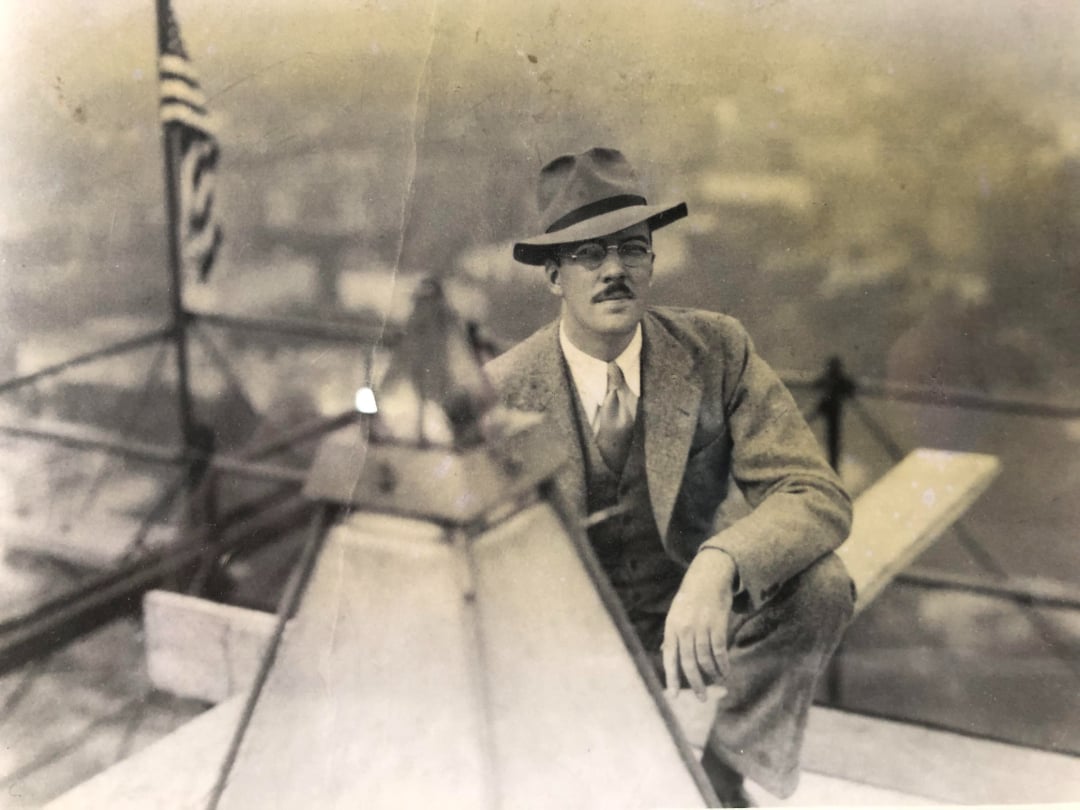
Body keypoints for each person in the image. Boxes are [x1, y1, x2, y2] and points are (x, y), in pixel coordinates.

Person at [485, 147, 856, 805]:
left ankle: (721, 774)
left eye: (631, 249)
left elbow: (815, 494)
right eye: (587, 255)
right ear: (551, 276)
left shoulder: (716, 351)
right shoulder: (503, 390)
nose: (613, 272)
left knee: (821, 585)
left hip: (693, 628)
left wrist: (719, 565)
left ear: (652, 259)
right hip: (561, 644)